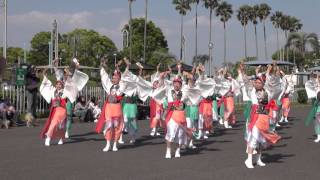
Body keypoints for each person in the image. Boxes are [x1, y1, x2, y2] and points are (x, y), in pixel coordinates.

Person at [40, 59, 88, 146]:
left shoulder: (65, 89)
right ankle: (49, 137)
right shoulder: (54, 89)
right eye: (57, 84)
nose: (58, 85)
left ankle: (62, 136)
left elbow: (71, 85)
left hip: (63, 108)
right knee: (54, 123)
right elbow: (49, 81)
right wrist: (53, 66)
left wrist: (74, 67)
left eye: (60, 84)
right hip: (54, 109)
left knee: (62, 123)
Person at [243, 67, 281, 169]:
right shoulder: (252, 91)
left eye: (259, 83)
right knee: (254, 138)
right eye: (255, 82)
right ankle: (249, 160)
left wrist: (273, 71)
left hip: (264, 118)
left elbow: (274, 85)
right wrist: (243, 72)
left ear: (263, 84)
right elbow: (246, 82)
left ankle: (259, 159)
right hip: (255, 117)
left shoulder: (267, 92)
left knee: (261, 140)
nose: (256, 84)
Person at [305, 73, 320, 143]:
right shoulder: (316, 86)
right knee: (317, 122)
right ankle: (318, 136)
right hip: (318, 107)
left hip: (317, 105)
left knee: (317, 121)